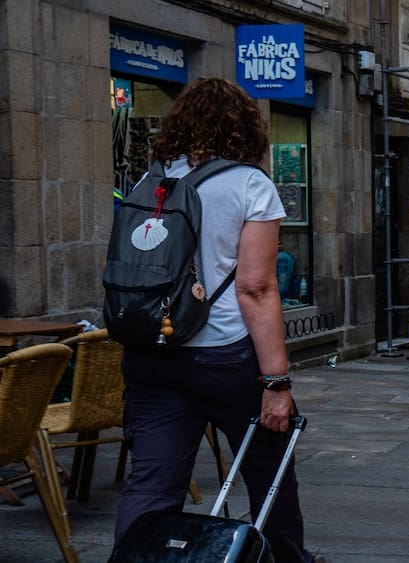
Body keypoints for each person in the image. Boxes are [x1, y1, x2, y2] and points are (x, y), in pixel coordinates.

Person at [114, 78, 318, 563]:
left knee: (151, 485)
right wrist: (276, 382)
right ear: (245, 128)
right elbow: (257, 288)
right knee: (269, 473)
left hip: (152, 353)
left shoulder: (148, 183)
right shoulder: (249, 184)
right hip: (224, 356)